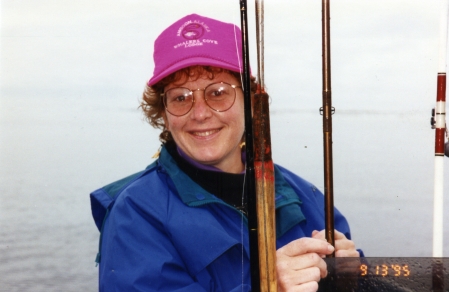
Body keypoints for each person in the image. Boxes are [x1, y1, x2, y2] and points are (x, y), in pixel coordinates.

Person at [90, 13, 361, 292]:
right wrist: (267, 286)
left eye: (218, 92)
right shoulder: (134, 213)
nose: (200, 113)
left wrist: (353, 275)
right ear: (163, 113)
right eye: (181, 97)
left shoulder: (307, 198)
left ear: (251, 102)